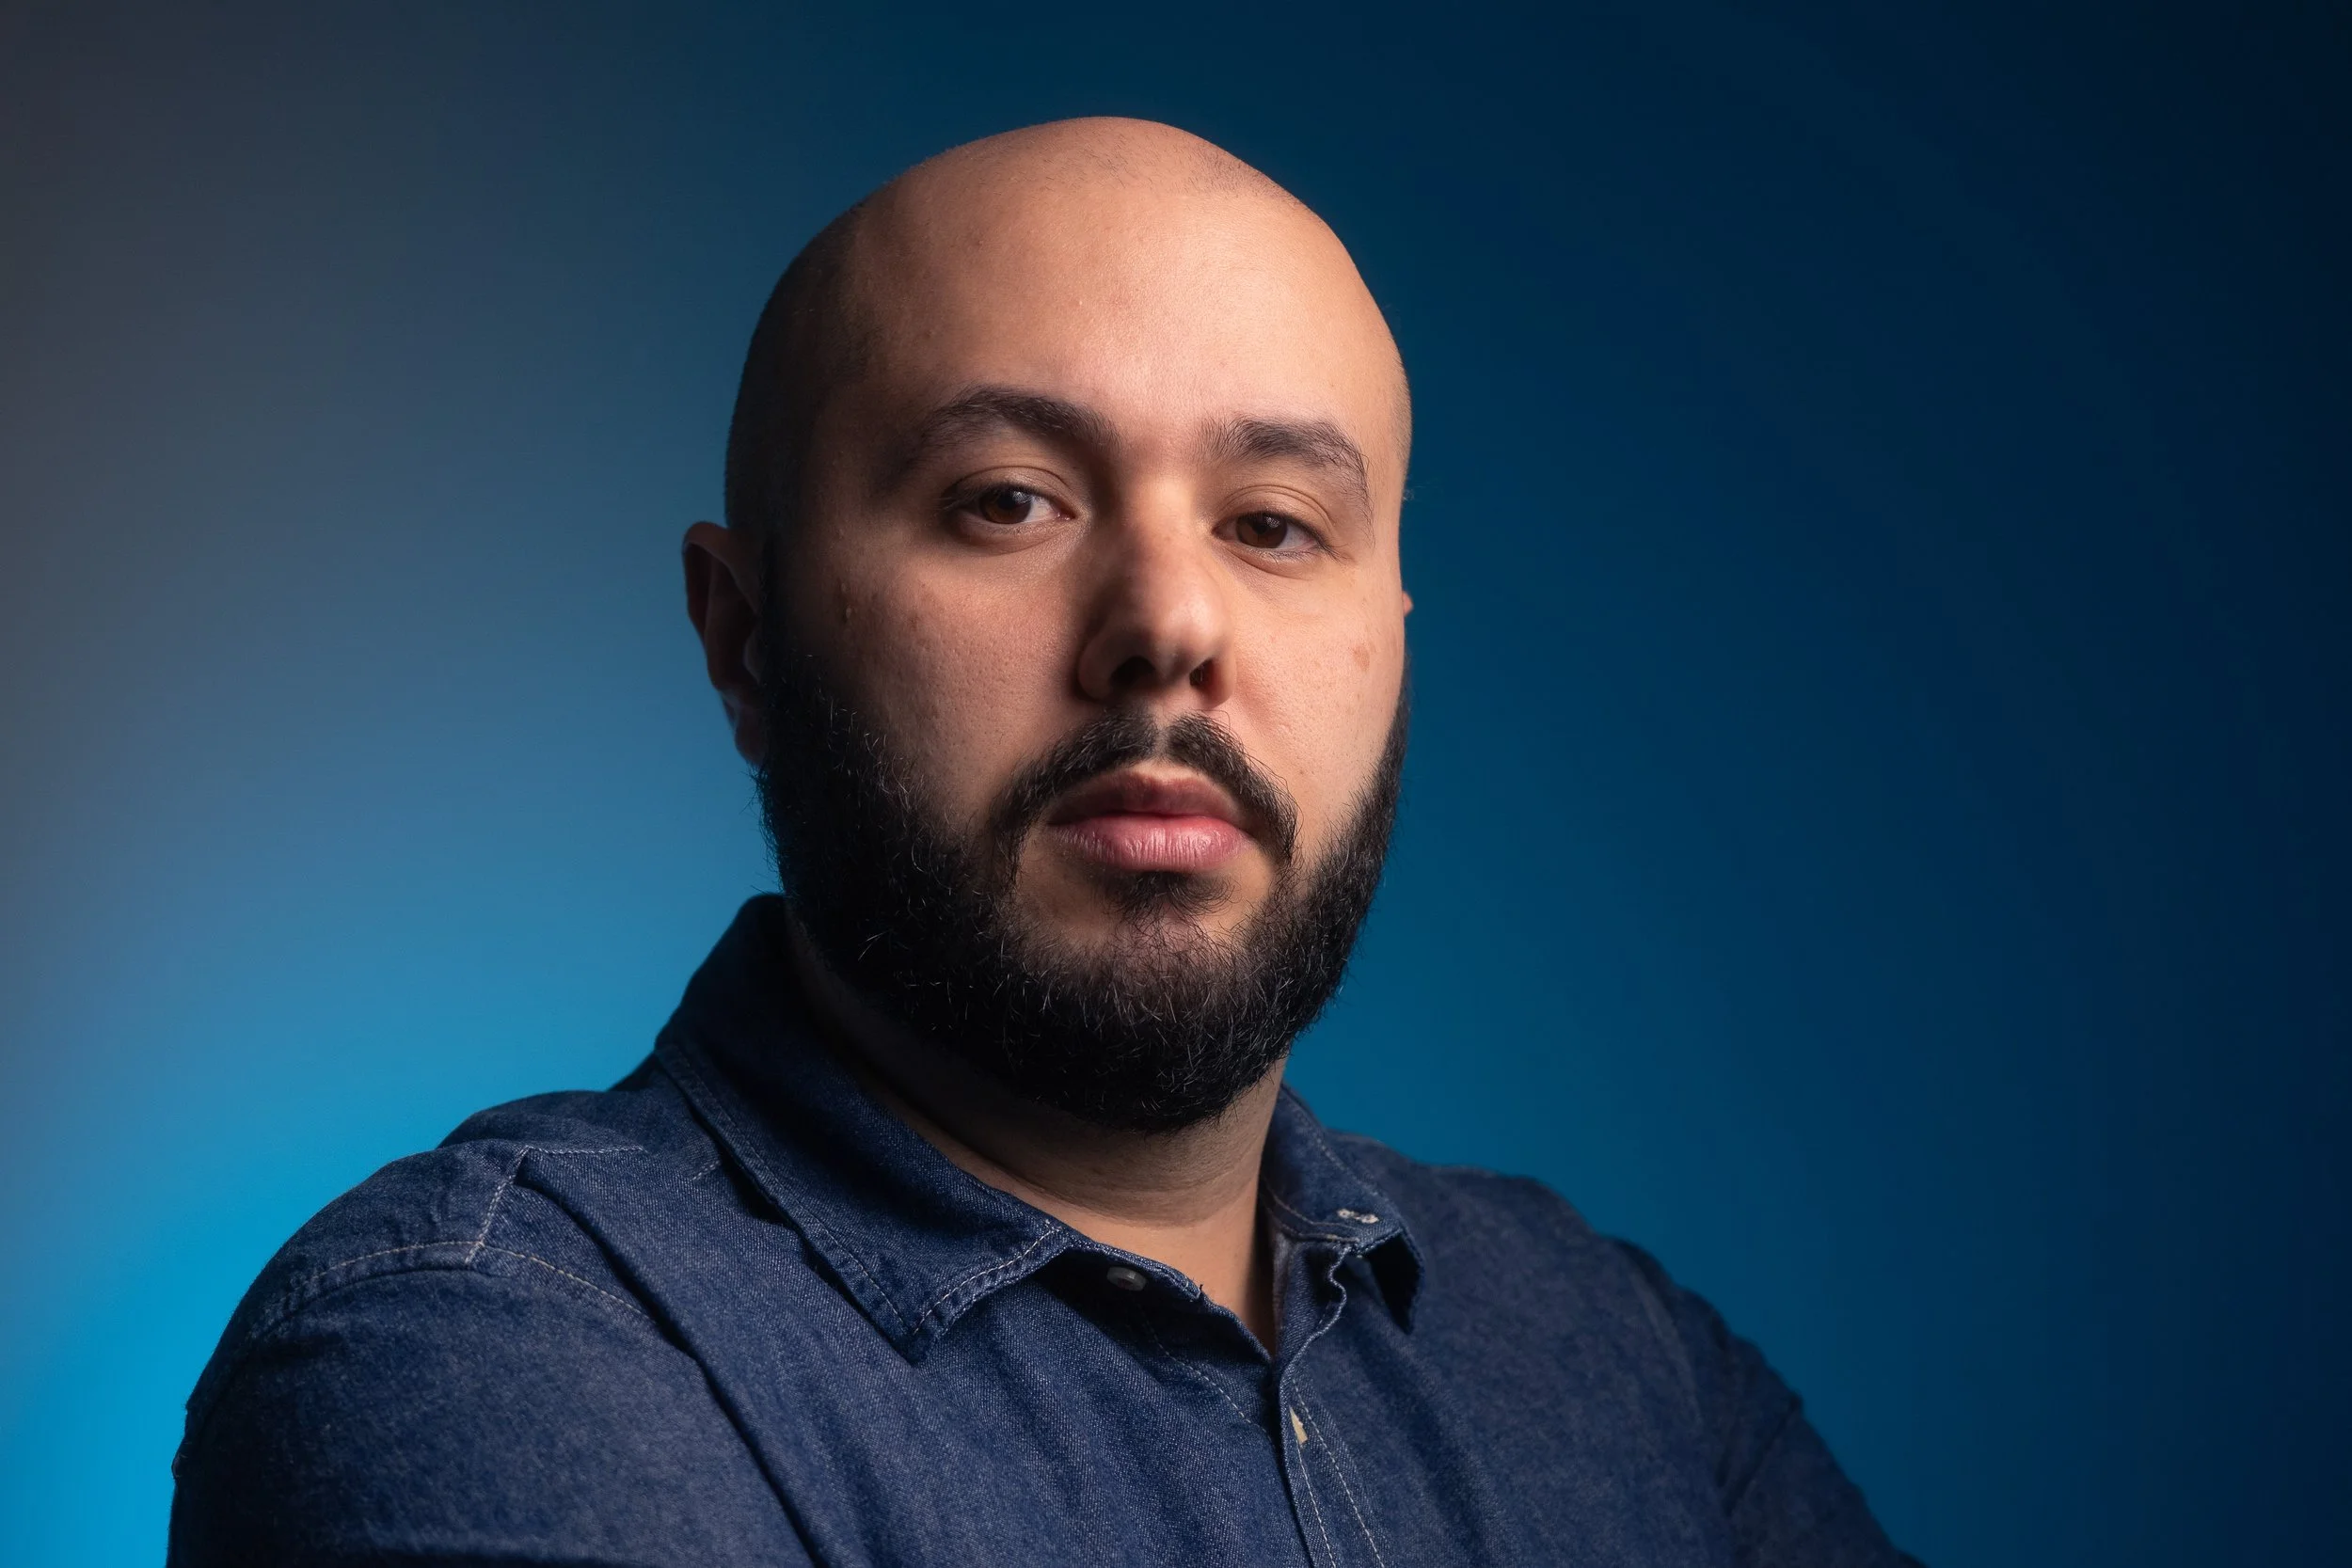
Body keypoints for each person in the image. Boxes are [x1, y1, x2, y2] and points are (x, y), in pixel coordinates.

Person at [168, 118, 1918, 1567]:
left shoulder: (1614, 1358)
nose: (1168, 621)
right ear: (745, 636)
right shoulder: (487, 1351)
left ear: (1392, 644)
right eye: (1009, 501)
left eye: (1274, 523)